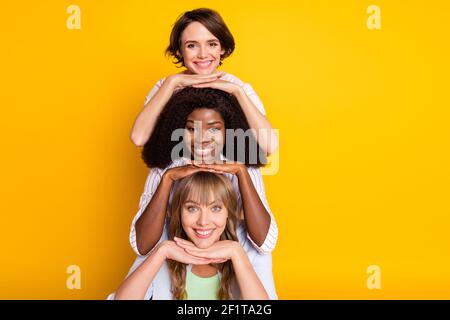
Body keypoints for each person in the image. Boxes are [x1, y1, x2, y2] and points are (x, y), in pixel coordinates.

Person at [130, 8, 278, 155]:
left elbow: (269, 147)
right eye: (191, 45)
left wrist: (237, 92)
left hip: (224, 176)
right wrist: (171, 83)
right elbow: (138, 138)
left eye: (211, 44)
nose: (202, 54)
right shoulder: (166, 86)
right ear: (179, 51)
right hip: (175, 175)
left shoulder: (238, 87)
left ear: (223, 48)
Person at [113, 172, 277, 300]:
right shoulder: (161, 237)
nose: (203, 221)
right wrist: (162, 251)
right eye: (192, 208)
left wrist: (237, 253)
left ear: (228, 212)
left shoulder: (250, 243)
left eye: (215, 208)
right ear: (179, 211)